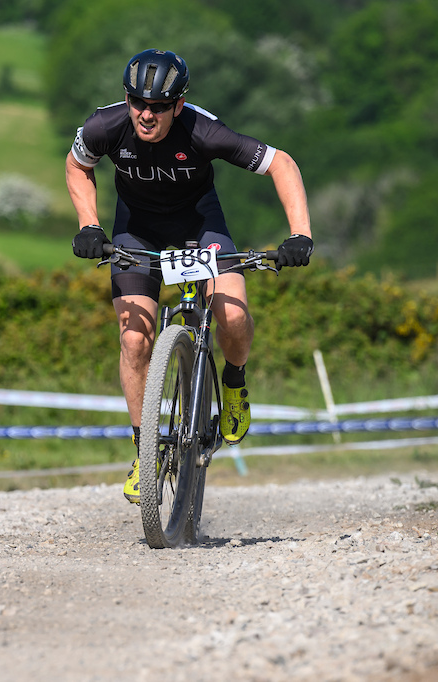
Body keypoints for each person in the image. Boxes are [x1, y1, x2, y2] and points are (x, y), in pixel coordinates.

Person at [65, 48, 312, 504]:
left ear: (178, 105)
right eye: (138, 102)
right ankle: (146, 451)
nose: (146, 114)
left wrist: (300, 234)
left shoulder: (204, 130)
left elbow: (282, 163)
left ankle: (234, 380)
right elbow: (78, 165)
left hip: (200, 227)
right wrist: (89, 224)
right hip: (137, 232)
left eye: (158, 106)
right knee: (134, 339)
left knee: (234, 318)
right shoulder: (105, 125)